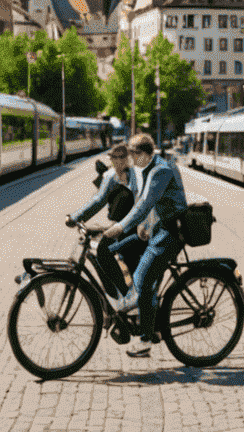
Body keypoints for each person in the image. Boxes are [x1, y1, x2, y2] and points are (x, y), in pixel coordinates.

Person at [100, 133, 188, 358]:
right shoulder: (149, 168)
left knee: (142, 278)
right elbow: (145, 203)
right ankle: (130, 306)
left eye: (133, 153)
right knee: (111, 251)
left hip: (170, 232)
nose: (130, 157)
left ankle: (146, 340)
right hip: (158, 229)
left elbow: (145, 203)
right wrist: (142, 225)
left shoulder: (161, 170)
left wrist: (120, 227)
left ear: (144, 153)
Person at [66, 142, 143, 297]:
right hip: (134, 225)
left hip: (134, 227)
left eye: (115, 158)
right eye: (112, 158)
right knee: (128, 260)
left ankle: (125, 295)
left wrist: (75, 218)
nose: (113, 162)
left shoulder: (118, 175)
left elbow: (98, 201)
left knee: (104, 251)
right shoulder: (130, 173)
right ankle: (130, 295)